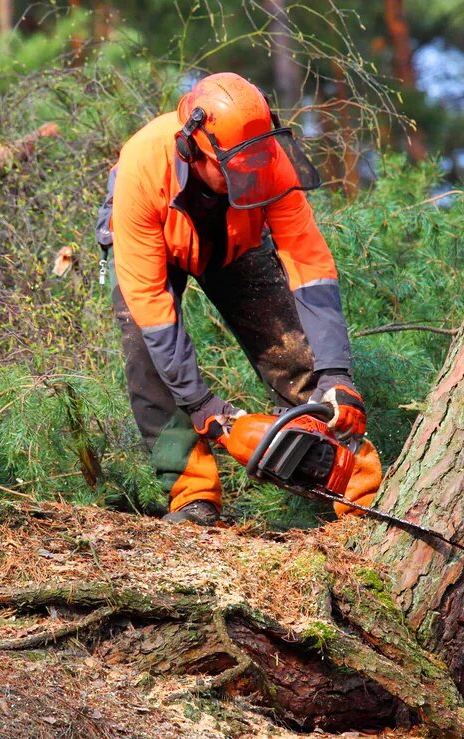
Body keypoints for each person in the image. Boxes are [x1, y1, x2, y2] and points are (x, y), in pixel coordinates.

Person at [95, 72, 381, 525]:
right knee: (149, 365)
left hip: (237, 239)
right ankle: (193, 497)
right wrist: (205, 408)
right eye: (234, 168)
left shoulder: (268, 159)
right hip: (155, 242)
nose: (248, 175)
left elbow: (310, 265)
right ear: (193, 148)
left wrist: (336, 374)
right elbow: (150, 301)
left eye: (255, 164)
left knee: (290, 346)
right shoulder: (144, 166)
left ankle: (355, 485)